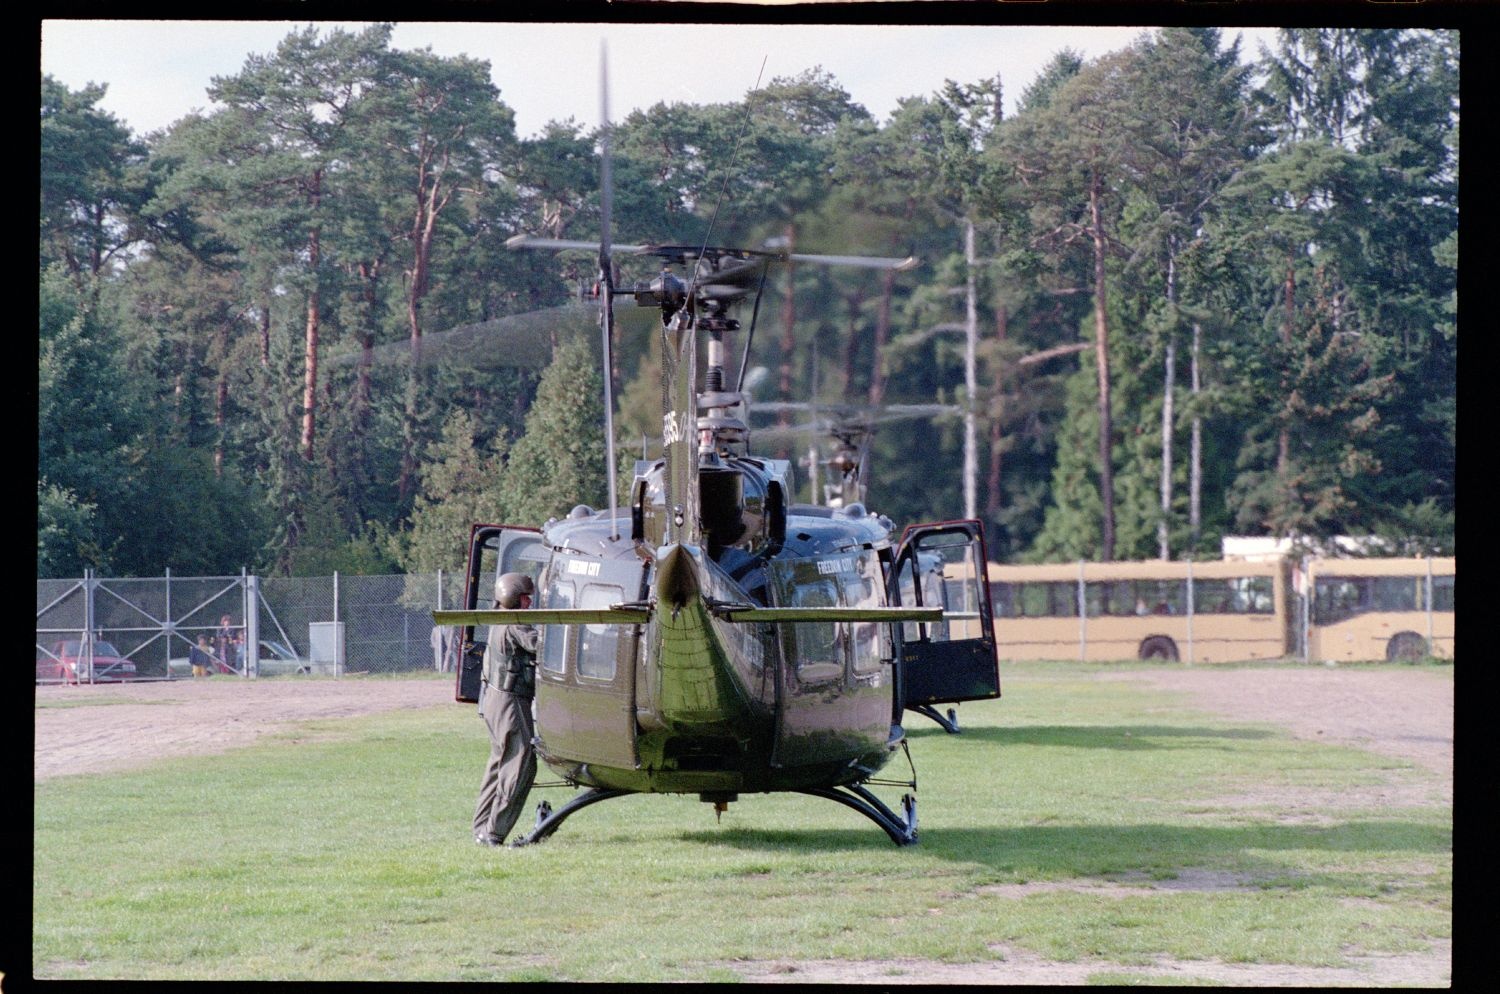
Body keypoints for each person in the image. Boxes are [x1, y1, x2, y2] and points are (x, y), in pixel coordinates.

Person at [473, 572, 540, 847]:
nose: (529, 603)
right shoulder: (514, 623)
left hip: (493, 699)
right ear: (513, 598)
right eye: (525, 597)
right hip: (510, 701)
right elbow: (539, 645)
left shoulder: (498, 617)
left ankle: (481, 828)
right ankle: (494, 832)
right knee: (521, 763)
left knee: (499, 763)